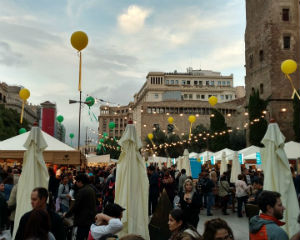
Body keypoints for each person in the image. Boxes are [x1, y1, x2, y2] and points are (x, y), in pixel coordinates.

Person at [65, 173, 96, 240]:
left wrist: (67, 215)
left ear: (80, 181)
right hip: (89, 219)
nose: (76, 183)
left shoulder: (82, 191)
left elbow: (76, 206)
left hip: (83, 220)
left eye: (76, 181)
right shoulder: (90, 189)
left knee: (80, 237)